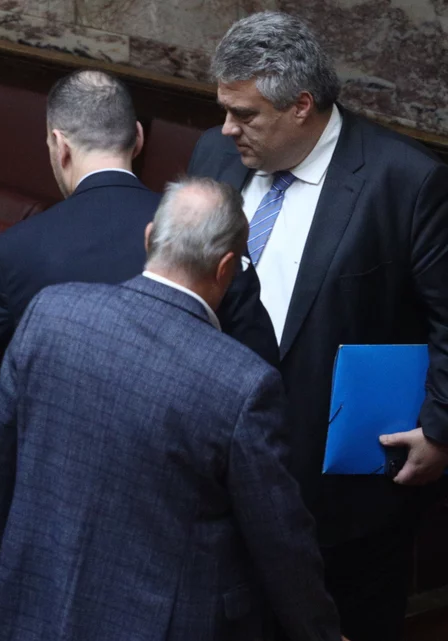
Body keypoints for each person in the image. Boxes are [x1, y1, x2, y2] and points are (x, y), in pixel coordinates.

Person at [0, 177, 341, 641]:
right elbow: (279, 538)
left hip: (31, 607)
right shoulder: (242, 383)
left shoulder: (49, 313)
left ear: (149, 239)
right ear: (226, 268)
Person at [187, 11, 448, 641]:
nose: (227, 129)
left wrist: (442, 428)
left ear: (301, 105)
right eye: (225, 110)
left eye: (244, 114)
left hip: (339, 495)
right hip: (212, 469)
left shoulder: (406, 182)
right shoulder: (214, 156)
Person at [0, 69, 278, 447]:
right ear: (138, 138)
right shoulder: (204, 231)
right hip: (188, 457)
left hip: (65, 461)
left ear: (60, 146)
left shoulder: (18, 248)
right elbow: (257, 364)